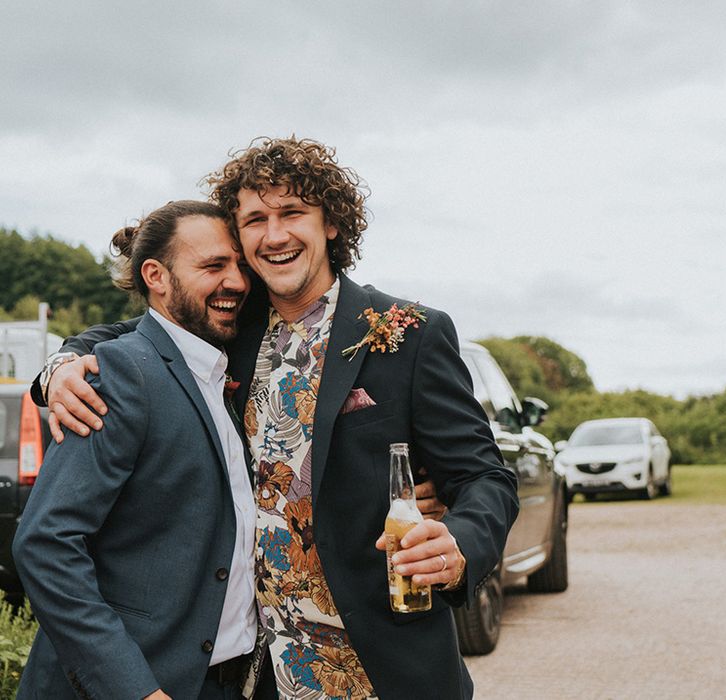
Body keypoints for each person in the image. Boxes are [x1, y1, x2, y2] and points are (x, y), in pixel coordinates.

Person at [35, 137, 519, 699]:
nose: (275, 235)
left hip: (382, 667)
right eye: (255, 220)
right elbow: (132, 335)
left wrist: (458, 541)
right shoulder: (228, 326)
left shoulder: (408, 333)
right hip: (255, 674)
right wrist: (60, 367)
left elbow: (486, 477)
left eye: (292, 213)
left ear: (331, 223)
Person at [14, 201, 260, 699]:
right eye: (213, 266)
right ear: (156, 276)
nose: (236, 281)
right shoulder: (120, 374)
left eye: (239, 265)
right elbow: (46, 544)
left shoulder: (218, 367)